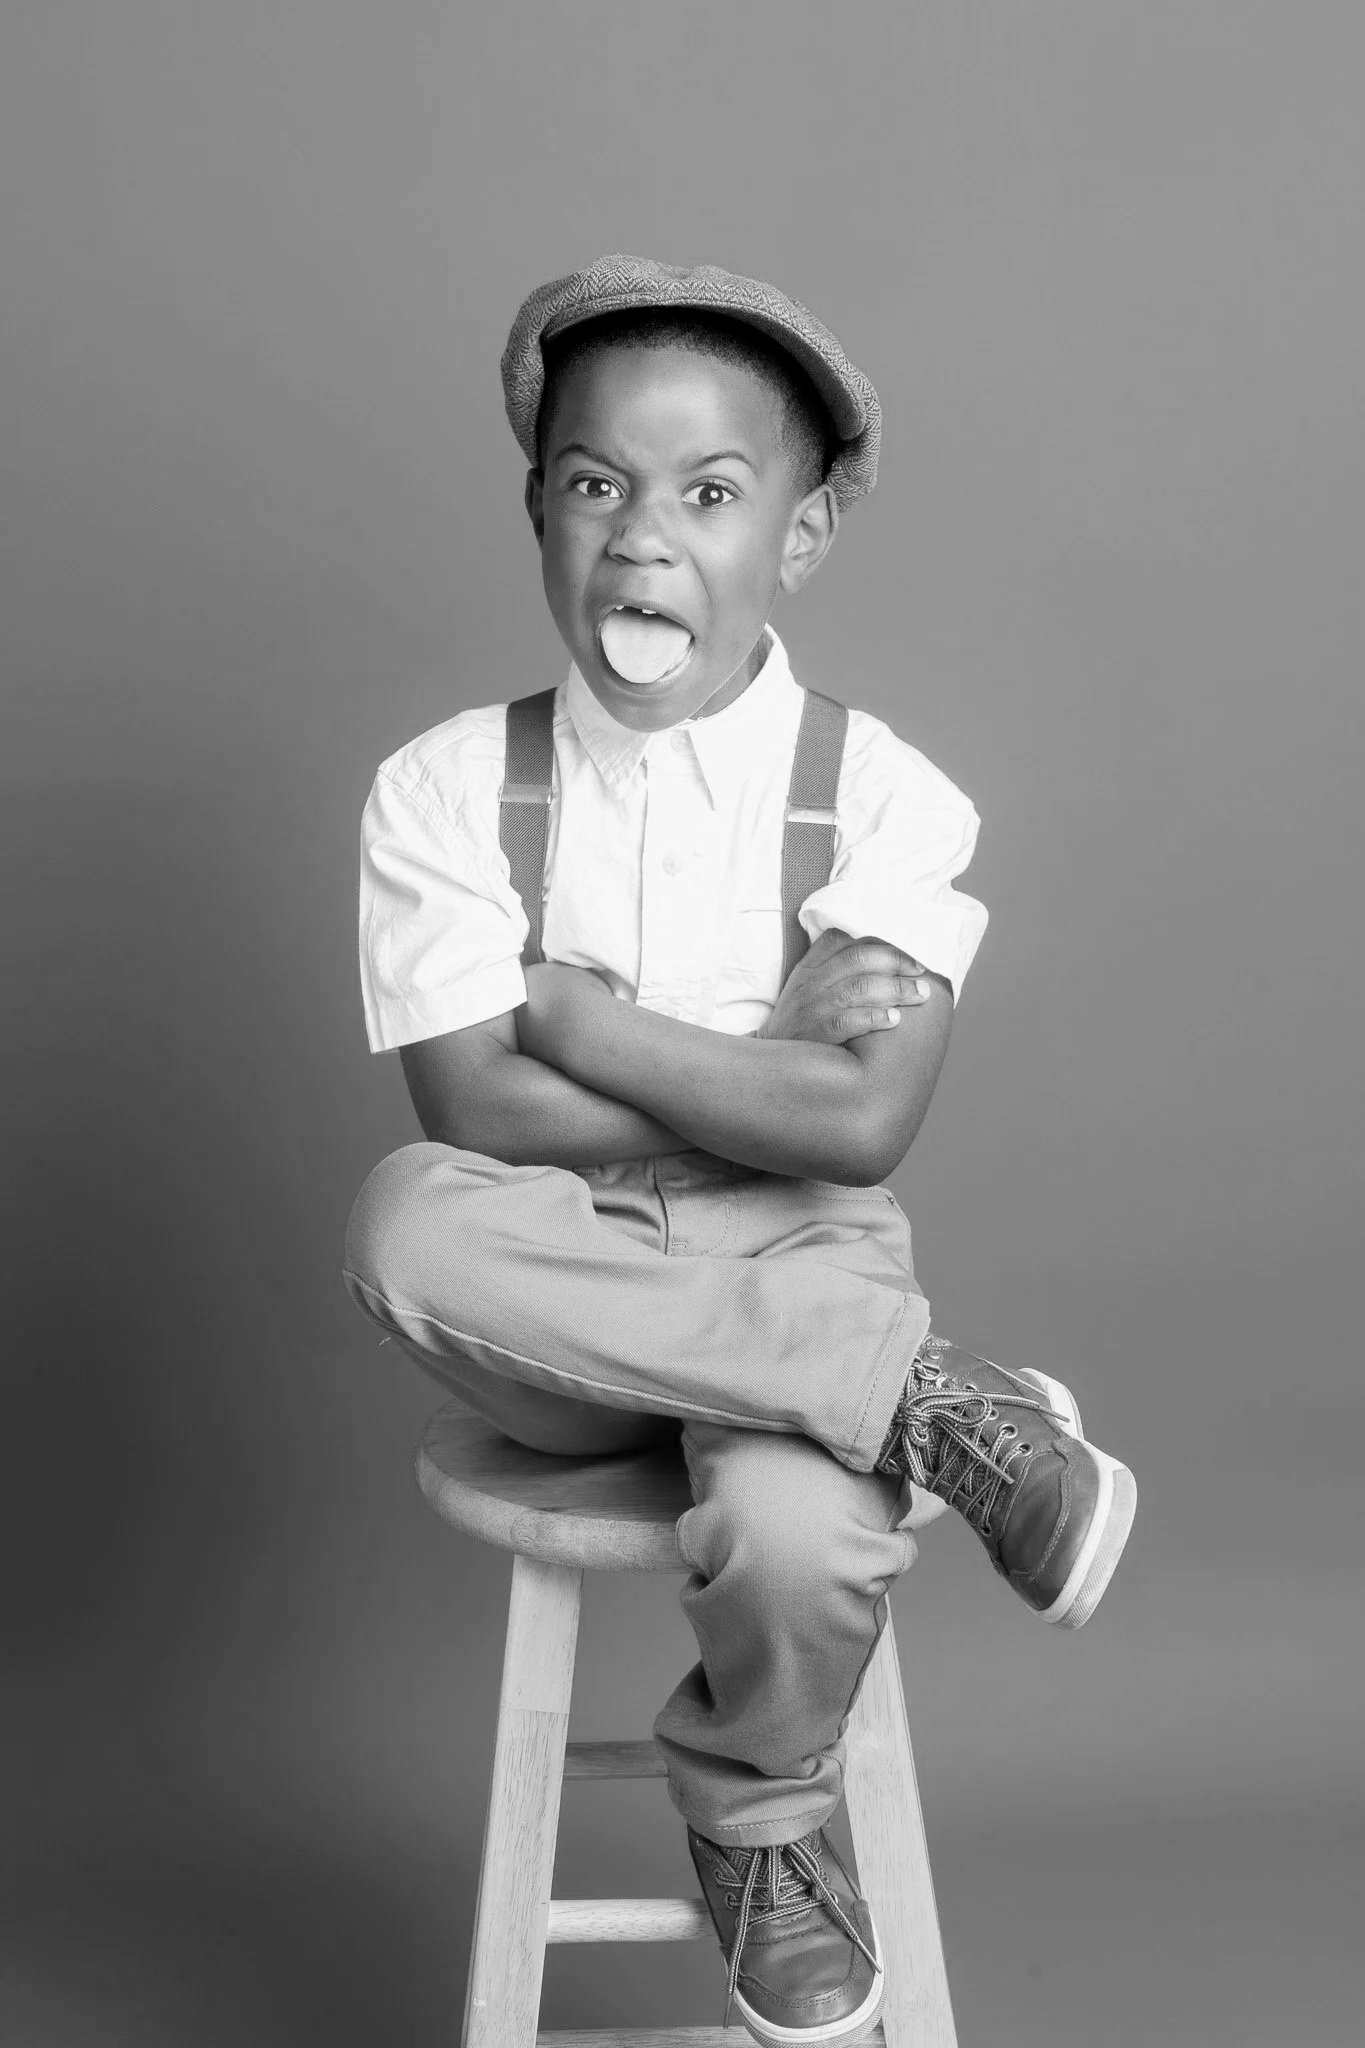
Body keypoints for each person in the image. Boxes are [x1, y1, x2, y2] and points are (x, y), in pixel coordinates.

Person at [343, 254, 1136, 2047]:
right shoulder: (446, 785)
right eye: (594, 485)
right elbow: (470, 1113)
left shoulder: (887, 796)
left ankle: (763, 1830)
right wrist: (756, 1045)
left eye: (709, 495)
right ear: (538, 507)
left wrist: (568, 1007)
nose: (642, 542)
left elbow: (855, 1120)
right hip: (555, 1292)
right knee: (407, 1224)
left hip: (792, 1261)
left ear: (803, 529)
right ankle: (935, 1401)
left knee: (792, 1534)